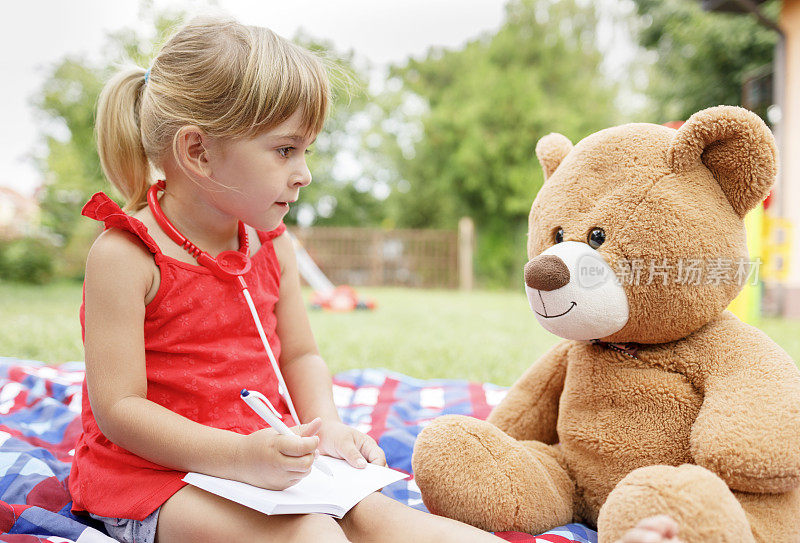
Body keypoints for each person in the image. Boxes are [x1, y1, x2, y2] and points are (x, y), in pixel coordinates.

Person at [68, 14, 508, 543]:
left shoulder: (272, 244)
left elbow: (299, 356)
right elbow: (118, 410)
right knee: (312, 533)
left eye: (307, 151)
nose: (304, 172)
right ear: (199, 152)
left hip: (266, 459)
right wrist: (237, 456)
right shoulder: (125, 255)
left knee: (389, 523)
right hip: (153, 477)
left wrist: (327, 429)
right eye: (284, 150)